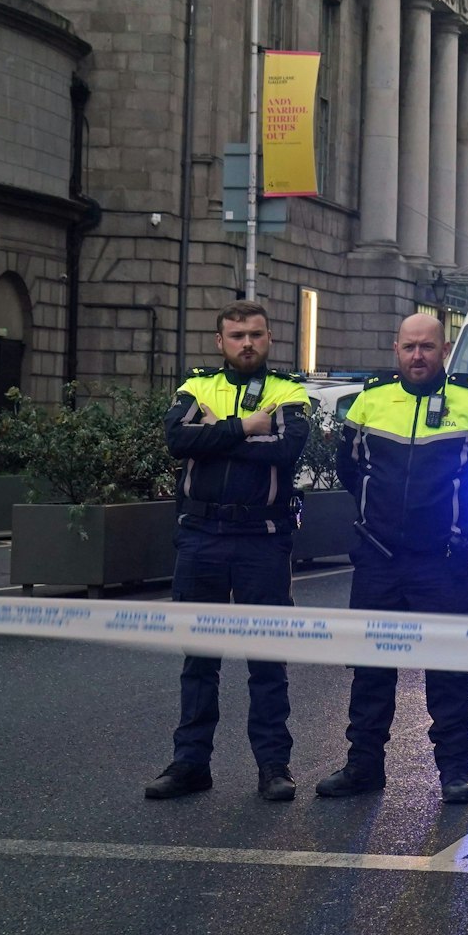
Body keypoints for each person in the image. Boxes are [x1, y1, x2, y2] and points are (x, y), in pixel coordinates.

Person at [312, 315, 468, 805]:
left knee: (447, 669)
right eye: (408, 347)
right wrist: (370, 522)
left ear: (444, 348)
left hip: (441, 561)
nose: (417, 356)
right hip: (379, 559)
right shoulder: (371, 400)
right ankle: (363, 767)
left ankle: (454, 772)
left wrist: (464, 530)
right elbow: (350, 467)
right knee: (370, 668)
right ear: (394, 348)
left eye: (426, 347)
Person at [147, 300, 311, 802]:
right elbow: (177, 439)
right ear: (220, 342)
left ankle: (273, 767)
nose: (247, 344)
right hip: (201, 537)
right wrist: (246, 427)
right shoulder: (197, 386)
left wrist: (214, 434)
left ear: (269, 339)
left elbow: (285, 450)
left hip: (262, 538)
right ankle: (190, 764)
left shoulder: (289, 391)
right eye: (237, 335)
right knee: (199, 659)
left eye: (256, 335)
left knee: (266, 658)